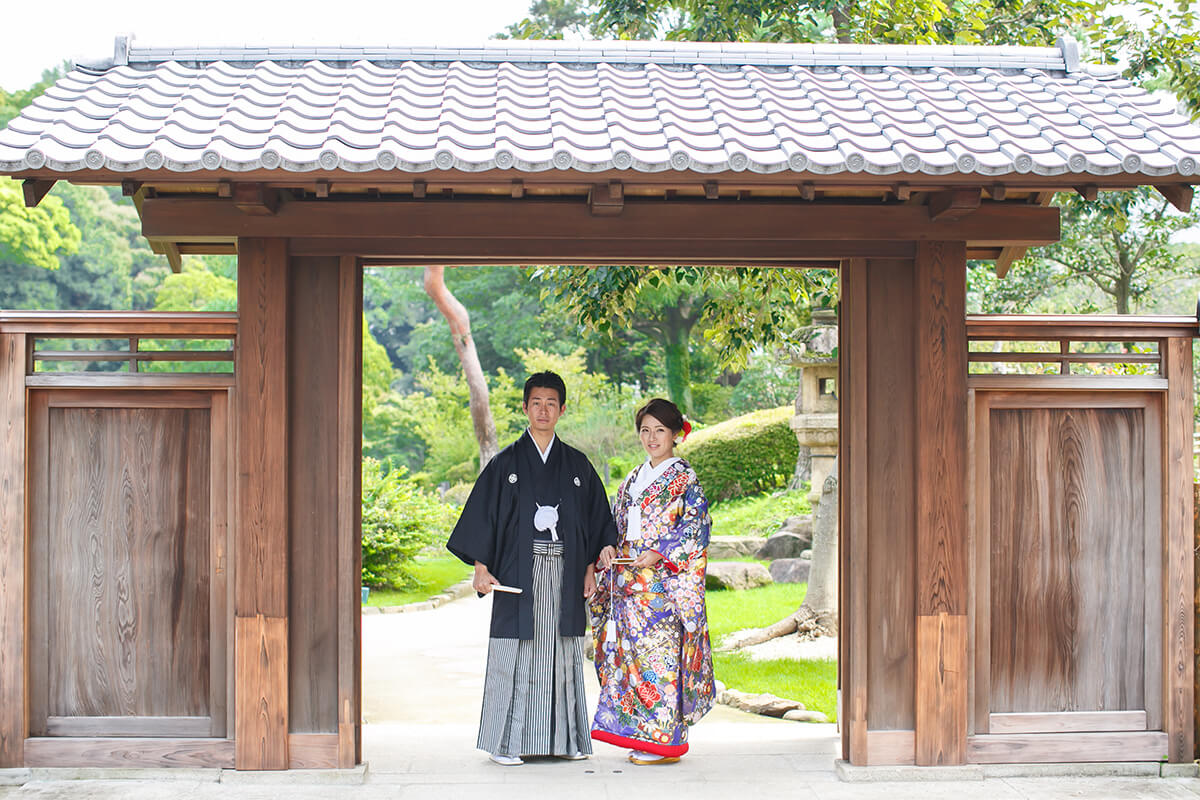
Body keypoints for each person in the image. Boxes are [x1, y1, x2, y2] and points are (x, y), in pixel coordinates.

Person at [447, 371, 617, 766]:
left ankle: (568, 741)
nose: (543, 410)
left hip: (566, 571)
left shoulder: (576, 465)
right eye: (536, 403)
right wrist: (480, 566)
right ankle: (505, 742)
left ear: (561, 410)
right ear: (525, 407)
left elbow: (594, 521)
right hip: (516, 574)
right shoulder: (506, 462)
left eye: (551, 403)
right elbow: (483, 517)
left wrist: (590, 567)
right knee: (515, 653)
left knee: (563, 652)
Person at [589, 397, 715, 765]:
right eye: (645, 430)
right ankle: (642, 734)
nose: (651, 437)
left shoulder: (684, 478)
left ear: (676, 433)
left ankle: (665, 739)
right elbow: (615, 524)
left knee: (660, 664)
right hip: (629, 587)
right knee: (633, 664)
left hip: (663, 590)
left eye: (660, 430)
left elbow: (696, 527)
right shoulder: (632, 478)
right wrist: (608, 548)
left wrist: (660, 552)